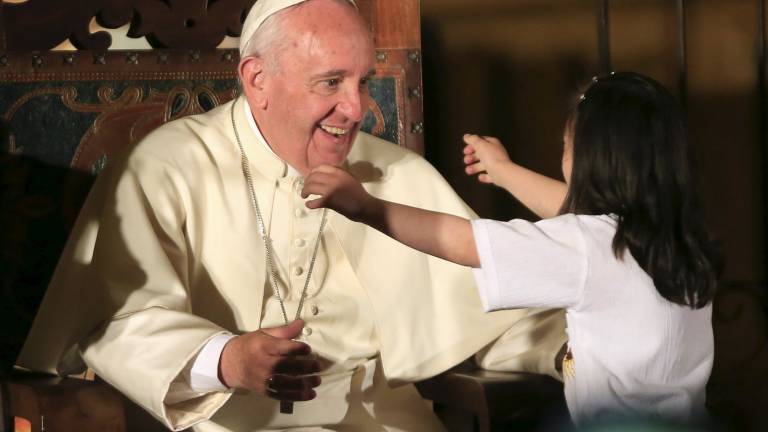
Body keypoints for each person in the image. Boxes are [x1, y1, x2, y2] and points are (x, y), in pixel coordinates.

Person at [16, 0, 567, 430]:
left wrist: (569, 348)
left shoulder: (394, 176)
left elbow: (491, 315)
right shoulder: (167, 166)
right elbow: (114, 321)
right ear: (258, 80)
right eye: (330, 83)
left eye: (362, 81)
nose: (356, 109)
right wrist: (227, 359)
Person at [302, 72, 721, 427]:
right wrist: (504, 172)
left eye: (567, 147)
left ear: (593, 161)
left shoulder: (588, 248)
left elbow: (464, 241)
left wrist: (367, 207)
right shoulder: (679, 237)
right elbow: (576, 217)